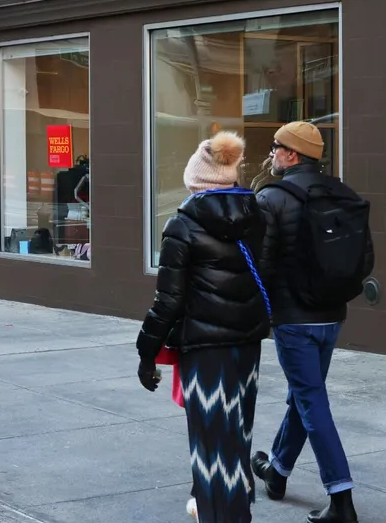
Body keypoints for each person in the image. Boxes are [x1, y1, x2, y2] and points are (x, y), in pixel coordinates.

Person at [137, 131, 271, 523]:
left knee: (211, 444)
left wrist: (147, 353)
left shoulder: (183, 225)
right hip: (247, 345)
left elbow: (169, 300)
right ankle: (237, 511)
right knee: (236, 437)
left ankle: (222, 516)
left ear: (196, 179)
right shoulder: (255, 217)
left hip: (204, 349)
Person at [252, 121, 372, 523]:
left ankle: (342, 498)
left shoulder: (272, 197)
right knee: (304, 395)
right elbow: (366, 258)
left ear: (291, 155)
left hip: (293, 319)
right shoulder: (343, 193)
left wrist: (260, 314)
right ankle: (277, 472)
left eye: (275, 148)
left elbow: (261, 267)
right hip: (331, 316)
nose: (271, 155)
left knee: (310, 400)